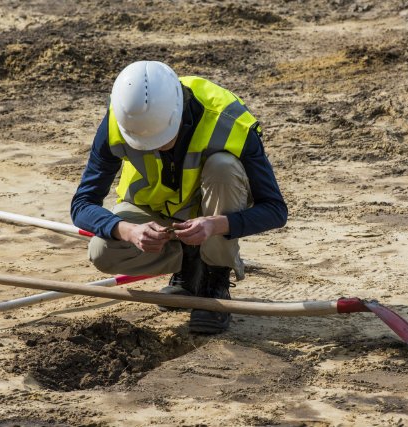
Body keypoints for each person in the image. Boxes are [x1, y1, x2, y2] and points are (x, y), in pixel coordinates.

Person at [71, 61, 287, 334]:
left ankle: (213, 280)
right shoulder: (120, 120)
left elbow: (275, 210)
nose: (155, 147)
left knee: (223, 167)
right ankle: (189, 264)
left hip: (211, 215)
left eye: (162, 139)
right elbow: (82, 204)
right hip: (151, 212)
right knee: (101, 250)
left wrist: (214, 226)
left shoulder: (229, 121)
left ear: (179, 114)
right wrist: (129, 231)